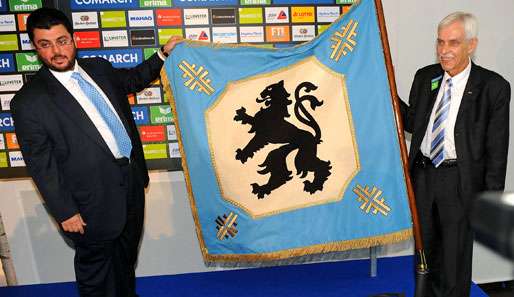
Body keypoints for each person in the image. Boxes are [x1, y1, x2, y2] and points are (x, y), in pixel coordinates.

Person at [11, 8, 182, 297]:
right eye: (45, 44)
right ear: (35, 47)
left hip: (130, 184)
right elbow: (41, 164)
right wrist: (65, 211)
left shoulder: (99, 68)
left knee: (125, 260)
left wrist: (163, 54)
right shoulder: (29, 102)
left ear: (73, 38)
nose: (56, 51)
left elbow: (132, 80)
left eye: (62, 40)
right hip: (88, 203)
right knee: (97, 274)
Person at [400, 12, 510, 297]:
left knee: (454, 261)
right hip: (423, 177)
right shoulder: (425, 77)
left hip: (459, 183)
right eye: (440, 42)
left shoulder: (493, 88)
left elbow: (497, 150)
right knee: (425, 257)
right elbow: (413, 122)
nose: (444, 51)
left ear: (471, 45)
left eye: (453, 43)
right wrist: (387, 96)